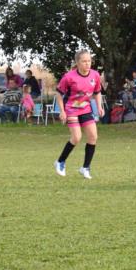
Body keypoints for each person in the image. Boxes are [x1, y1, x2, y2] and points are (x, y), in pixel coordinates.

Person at [53, 50, 104, 179]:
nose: (88, 64)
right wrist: (62, 111)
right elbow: (59, 94)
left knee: (93, 137)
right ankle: (60, 161)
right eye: (84, 61)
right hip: (71, 109)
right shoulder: (69, 77)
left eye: (89, 61)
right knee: (76, 137)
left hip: (86, 109)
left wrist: (99, 107)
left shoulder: (95, 75)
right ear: (77, 63)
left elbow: (97, 92)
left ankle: (85, 168)